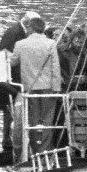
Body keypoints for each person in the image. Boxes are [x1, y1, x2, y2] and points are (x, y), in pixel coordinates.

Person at [12, 16, 62, 153]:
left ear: (31, 27)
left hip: (30, 87)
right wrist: (57, 88)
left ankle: (34, 148)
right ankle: (44, 149)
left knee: (33, 120)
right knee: (47, 120)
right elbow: (55, 68)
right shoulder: (51, 43)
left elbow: (13, 62)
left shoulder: (20, 44)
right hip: (48, 87)